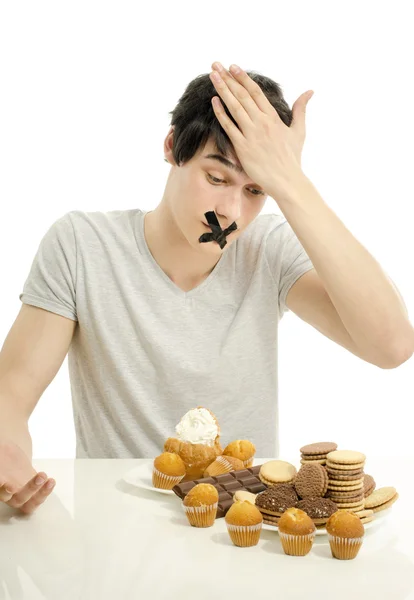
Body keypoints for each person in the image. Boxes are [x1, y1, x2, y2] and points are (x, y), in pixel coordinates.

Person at [1, 62, 413, 515]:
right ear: (173, 146)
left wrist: (291, 183)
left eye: (256, 190)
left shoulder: (269, 248)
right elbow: (12, 394)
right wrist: (9, 458)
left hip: (241, 532)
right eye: (216, 178)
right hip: (115, 528)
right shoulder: (81, 244)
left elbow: (391, 346)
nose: (230, 212)